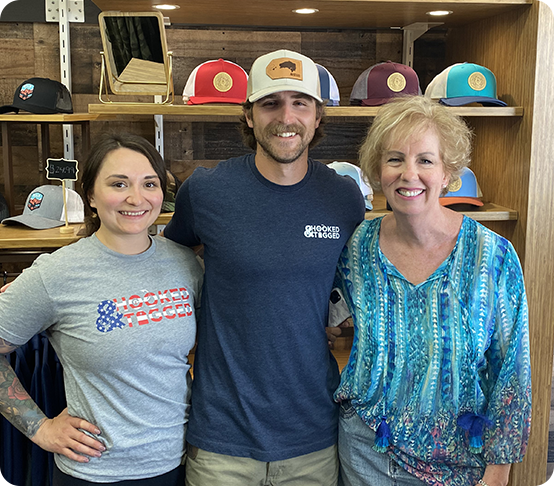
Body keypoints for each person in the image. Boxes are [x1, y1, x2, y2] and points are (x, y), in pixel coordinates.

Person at [163, 49, 366, 485]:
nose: (286, 116)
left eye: (301, 103)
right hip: (222, 439)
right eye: (271, 103)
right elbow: (164, 269)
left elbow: (346, 286)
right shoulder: (206, 193)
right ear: (250, 115)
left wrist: (343, 320)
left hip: (312, 434)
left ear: (317, 117)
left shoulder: (344, 198)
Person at [334, 95, 531, 486]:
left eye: (425, 160)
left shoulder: (492, 255)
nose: (409, 174)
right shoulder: (357, 247)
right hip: (365, 455)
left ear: (448, 172)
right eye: (395, 159)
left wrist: (499, 469)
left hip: (459, 465)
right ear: (378, 170)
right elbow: (326, 317)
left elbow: (512, 371)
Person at [0, 133, 203, 485]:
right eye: (118, 183)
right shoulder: (56, 273)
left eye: (149, 184)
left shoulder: (185, 265)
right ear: (91, 195)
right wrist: (39, 427)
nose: (135, 197)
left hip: (180, 464)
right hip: (95, 472)